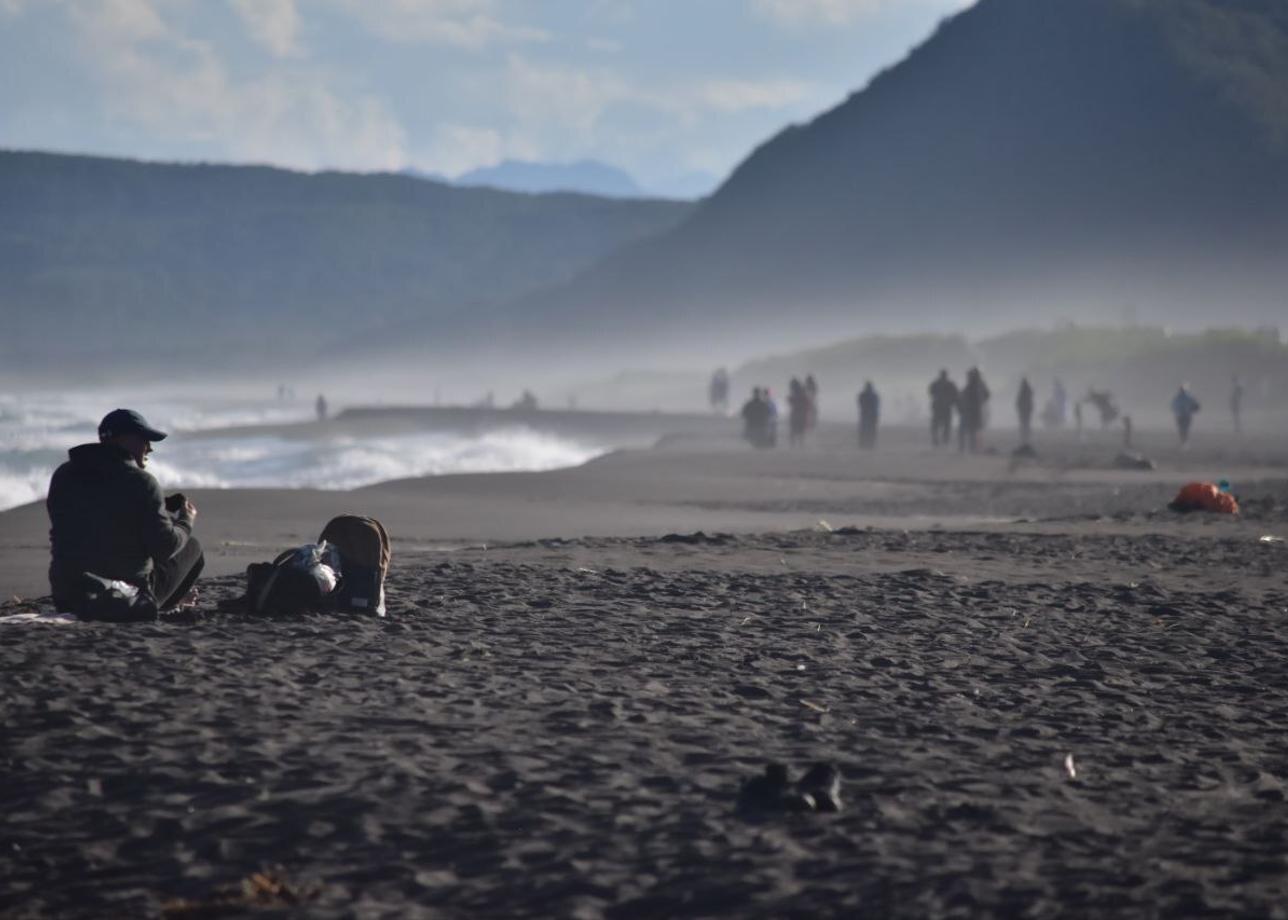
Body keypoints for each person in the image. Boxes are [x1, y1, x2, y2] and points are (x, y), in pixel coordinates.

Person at [47, 409, 203, 612]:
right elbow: (165, 547)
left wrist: (157, 505)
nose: (149, 448)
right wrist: (185, 521)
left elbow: (95, 513)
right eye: (145, 440)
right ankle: (167, 604)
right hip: (122, 597)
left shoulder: (64, 475)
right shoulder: (142, 482)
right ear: (123, 440)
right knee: (192, 546)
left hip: (67, 594)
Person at [958, 367, 991, 453]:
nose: (968, 377)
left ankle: (969, 448)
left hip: (972, 411)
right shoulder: (976, 385)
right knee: (970, 430)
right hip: (971, 411)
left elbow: (986, 395)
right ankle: (969, 448)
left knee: (969, 430)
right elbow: (986, 395)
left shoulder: (977, 385)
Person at [928, 370, 958, 447]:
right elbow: (955, 395)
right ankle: (943, 439)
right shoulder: (950, 384)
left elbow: (931, 392)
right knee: (945, 425)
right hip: (945, 407)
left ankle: (937, 439)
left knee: (937, 424)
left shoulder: (936, 383)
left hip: (939, 407)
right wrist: (952, 402)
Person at [787, 377, 810, 447]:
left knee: (794, 429)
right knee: (800, 429)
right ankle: (800, 444)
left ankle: (793, 444)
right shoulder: (801, 391)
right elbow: (806, 403)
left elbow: (791, 401)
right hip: (801, 413)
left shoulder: (796, 392)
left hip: (796, 412)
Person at [857, 381, 880, 449]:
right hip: (871, 414)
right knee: (871, 430)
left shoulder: (862, 395)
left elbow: (860, 404)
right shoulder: (874, 395)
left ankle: (863, 444)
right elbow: (876, 406)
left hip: (865, 414)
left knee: (864, 429)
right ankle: (870, 444)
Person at [1016, 377, 1034, 445]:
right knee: (1026, 423)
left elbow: (1018, 401)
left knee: (1023, 423)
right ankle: (1026, 436)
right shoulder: (1029, 391)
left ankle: (1024, 436)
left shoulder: (1022, 390)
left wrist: (1018, 407)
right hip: (1027, 410)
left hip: (1023, 410)